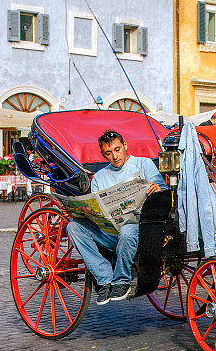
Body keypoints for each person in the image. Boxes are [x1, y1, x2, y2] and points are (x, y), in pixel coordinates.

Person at [66, 130, 168, 305]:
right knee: (73, 227)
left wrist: (156, 188)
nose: (114, 156)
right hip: (109, 232)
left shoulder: (143, 164)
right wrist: (78, 212)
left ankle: (121, 280)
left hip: (139, 229)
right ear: (103, 155)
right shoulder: (98, 177)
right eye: (108, 153)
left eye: (117, 149)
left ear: (125, 146)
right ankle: (105, 279)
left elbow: (162, 188)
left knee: (128, 230)